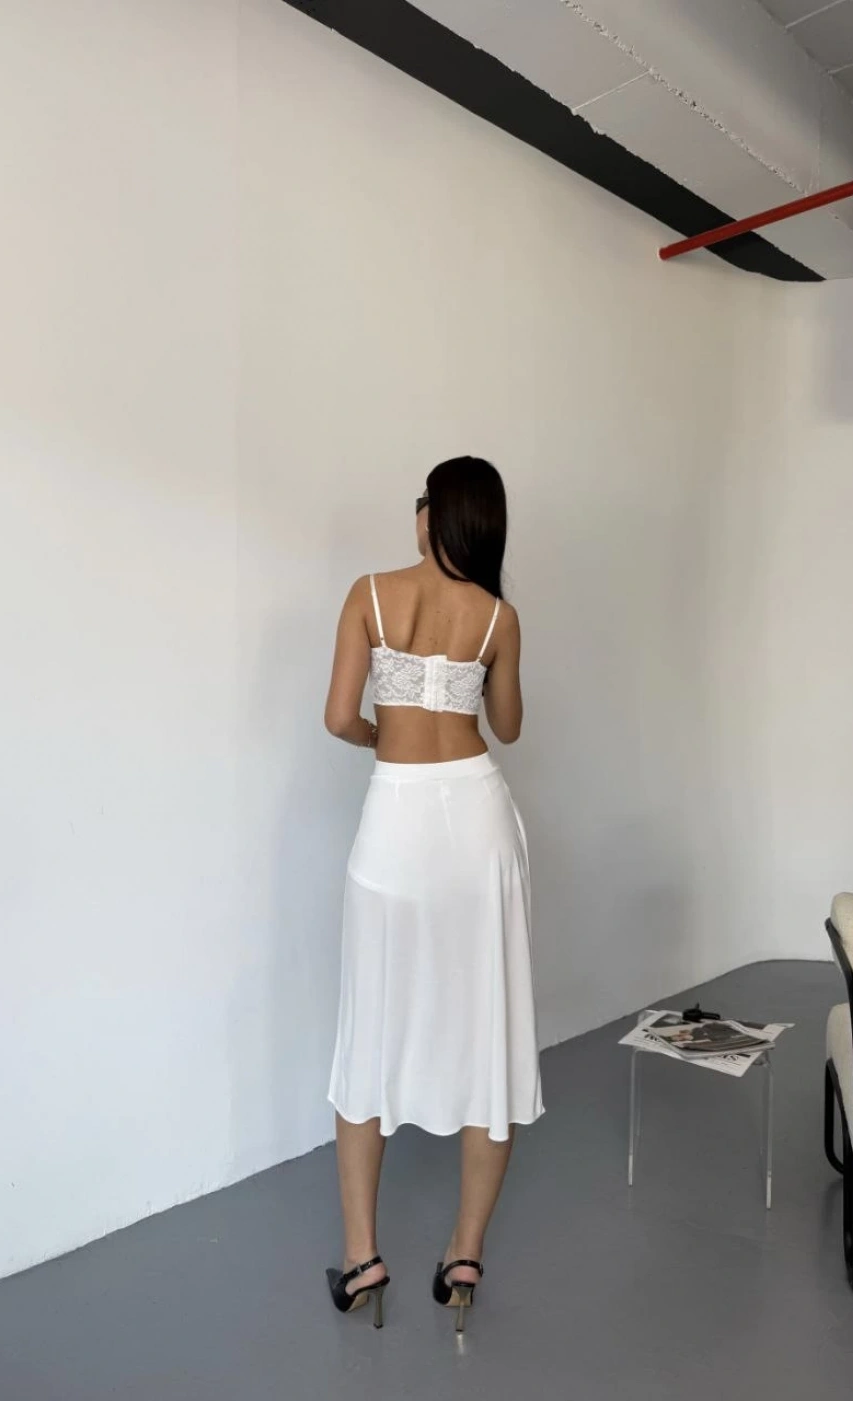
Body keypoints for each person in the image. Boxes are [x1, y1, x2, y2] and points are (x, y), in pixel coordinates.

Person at [322, 456, 544, 1333]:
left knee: (371, 1024)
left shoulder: (370, 594)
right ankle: (464, 1256)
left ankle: (362, 1257)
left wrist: (383, 734)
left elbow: (339, 716)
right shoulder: (499, 616)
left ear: (434, 517)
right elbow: (509, 727)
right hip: (478, 822)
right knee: (488, 1030)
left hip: (396, 817)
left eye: (424, 503)